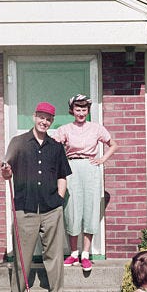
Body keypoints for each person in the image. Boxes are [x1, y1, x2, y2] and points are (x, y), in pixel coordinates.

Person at [1, 102, 75, 292]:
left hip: (52, 209)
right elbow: (6, 171)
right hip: (25, 208)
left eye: (48, 119)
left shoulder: (56, 147)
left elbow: (62, 176)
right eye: (41, 117)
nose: (44, 121)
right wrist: (6, 172)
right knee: (22, 256)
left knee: (55, 256)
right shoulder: (18, 142)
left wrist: (59, 199)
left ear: (52, 121)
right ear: (34, 116)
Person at [49, 94, 118, 271]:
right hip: (71, 168)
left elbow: (113, 144)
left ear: (88, 111)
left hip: (90, 168)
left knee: (90, 209)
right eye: (78, 109)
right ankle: (73, 253)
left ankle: (85, 254)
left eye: (84, 109)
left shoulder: (96, 128)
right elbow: (52, 148)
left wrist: (102, 159)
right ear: (72, 110)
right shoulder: (65, 129)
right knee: (71, 209)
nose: (81, 113)